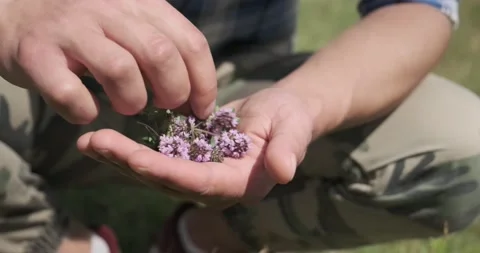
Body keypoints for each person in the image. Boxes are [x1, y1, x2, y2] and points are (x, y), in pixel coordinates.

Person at [1, 0, 478, 252]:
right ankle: (44, 241)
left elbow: (419, 9)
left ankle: (203, 240)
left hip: (228, 81)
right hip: (24, 81)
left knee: (463, 146)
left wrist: (304, 103)